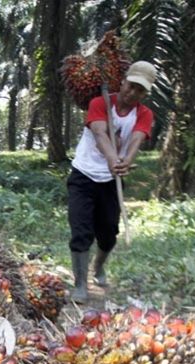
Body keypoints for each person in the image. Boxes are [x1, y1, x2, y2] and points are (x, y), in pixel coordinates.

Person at [66, 60, 156, 302]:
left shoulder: (144, 115)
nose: (132, 92)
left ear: (145, 93)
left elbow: (136, 140)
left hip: (110, 182)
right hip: (83, 176)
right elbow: (99, 133)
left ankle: (99, 266)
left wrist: (125, 161)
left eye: (140, 90)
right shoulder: (99, 103)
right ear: (123, 81)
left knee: (108, 233)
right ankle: (80, 285)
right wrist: (111, 158)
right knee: (80, 230)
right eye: (131, 85)